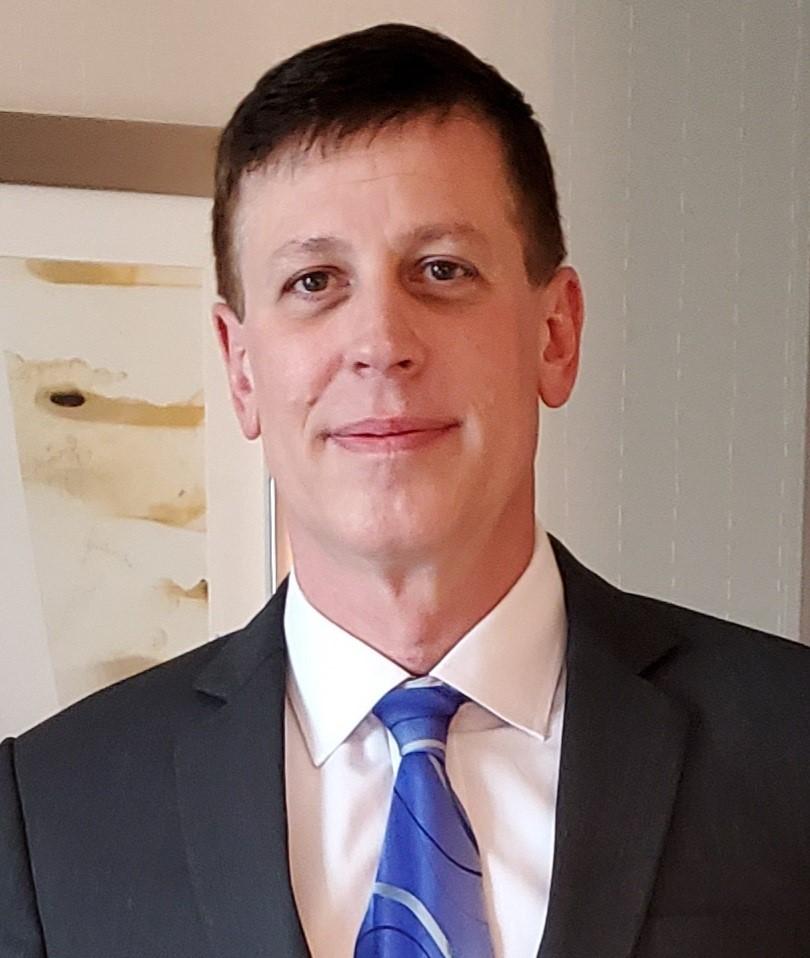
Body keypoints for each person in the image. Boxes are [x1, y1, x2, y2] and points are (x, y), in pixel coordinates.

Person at [2, 22, 809, 958]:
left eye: (441, 270)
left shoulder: (790, 745)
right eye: (314, 281)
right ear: (241, 368)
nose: (381, 342)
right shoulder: (47, 817)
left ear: (555, 334)